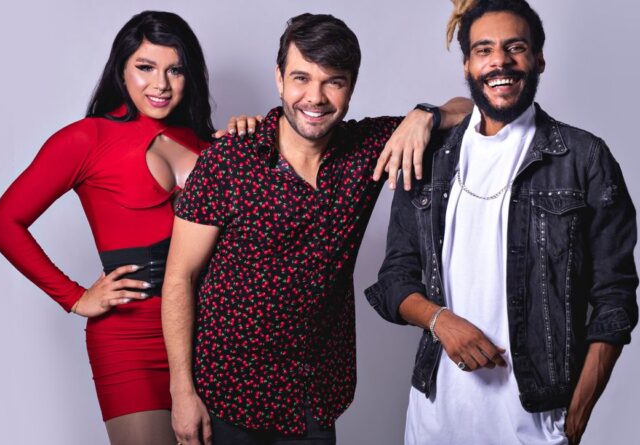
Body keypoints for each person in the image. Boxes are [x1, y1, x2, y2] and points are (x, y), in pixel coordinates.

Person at [162, 13, 472, 445]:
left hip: (311, 399)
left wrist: (425, 115)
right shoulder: (229, 159)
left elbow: (468, 109)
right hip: (225, 394)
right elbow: (181, 276)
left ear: (351, 86)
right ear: (279, 79)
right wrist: (181, 391)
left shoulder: (370, 149)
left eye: (333, 82)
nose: (316, 97)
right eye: (301, 78)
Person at [364, 0, 639, 444]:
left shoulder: (583, 158)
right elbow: (396, 278)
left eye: (515, 47)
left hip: (534, 424)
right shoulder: (428, 157)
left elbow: (614, 297)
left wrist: (576, 415)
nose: (500, 61)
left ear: (538, 59)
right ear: (467, 65)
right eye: (484, 50)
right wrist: (441, 321)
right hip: (434, 421)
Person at [0, 11, 215, 444]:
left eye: (175, 70)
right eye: (146, 67)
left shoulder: (208, 145)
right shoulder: (86, 139)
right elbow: (2, 224)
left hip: (211, 335)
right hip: (131, 339)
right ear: (121, 69)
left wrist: (253, 136)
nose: (161, 84)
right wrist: (74, 296)